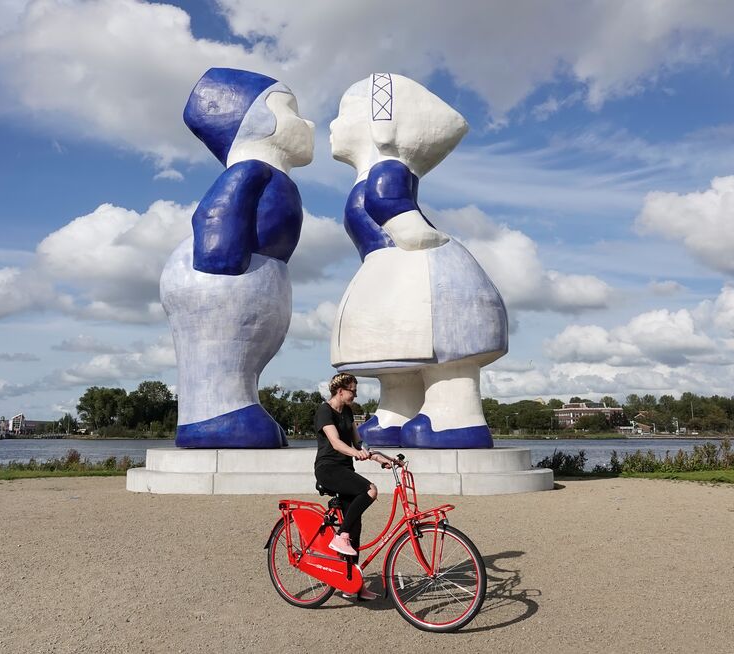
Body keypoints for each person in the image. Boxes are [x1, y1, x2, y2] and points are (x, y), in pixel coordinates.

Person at [328, 73, 508, 449]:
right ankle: (400, 411)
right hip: (392, 270)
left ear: (381, 122)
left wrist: (415, 233)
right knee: (401, 359)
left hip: (421, 272)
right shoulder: (374, 173)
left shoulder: (386, 171)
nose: (333, 124)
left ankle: (455, 416)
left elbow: (390, 206)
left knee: (442, 357)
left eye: (344, 113)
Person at [162, 68, 315, 448]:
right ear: (257, 122)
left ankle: (238, 407)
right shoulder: (251, 169)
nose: (307, 123)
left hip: (253, 271)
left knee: (240, 360)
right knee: (220, 354)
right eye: (291, 111)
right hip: (228, 276)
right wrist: (223, 261)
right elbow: (214, 216)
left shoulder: (268, 173)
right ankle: (214, 416)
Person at [314, 372, 393, 601]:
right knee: (370, 490)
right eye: (353, 391)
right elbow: (337, 443)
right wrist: (356, 453)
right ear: (340, 391)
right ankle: (340, 536)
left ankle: (352, 585)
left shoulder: (347, 412)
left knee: (355, 526)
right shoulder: (324, 411)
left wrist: (379, 457)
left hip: (345, 469)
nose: (355, 395)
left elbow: (358, 441)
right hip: (328, 469)